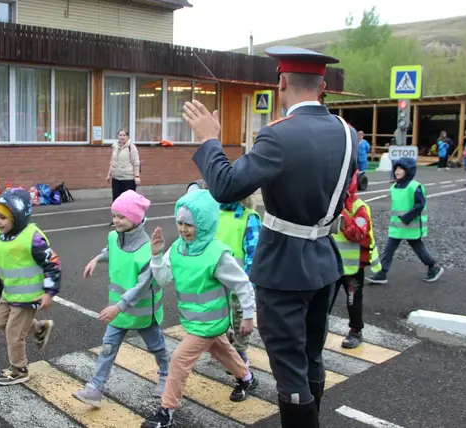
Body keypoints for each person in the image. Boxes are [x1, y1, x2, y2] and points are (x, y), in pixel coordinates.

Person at [183, 46, 357, 426]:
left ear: (281, 82)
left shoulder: (277, 135)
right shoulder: (348, 133)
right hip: (325, 263)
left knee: (289, 369)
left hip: (284, 268)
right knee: (311, 356)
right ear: (323, 85)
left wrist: (210, 140)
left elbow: (226, 188)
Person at [141, 190, 257, 428]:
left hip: (208, 323)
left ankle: (167, 411)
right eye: (180, 223)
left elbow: (243, 284)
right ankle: (246, 377)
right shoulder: (178, 248)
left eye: (190, 225)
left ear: (204, 224)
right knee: (221, 350)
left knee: (179, 360)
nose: (183, 229)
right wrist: (156, 256)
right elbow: (163, 279)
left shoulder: (217, 254)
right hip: (195, 320)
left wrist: (248, 315)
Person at [73, 190, 170, 408]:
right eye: (114, 215)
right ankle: (95, 389)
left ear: (135, 218)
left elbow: (142, 286)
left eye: (121, 216)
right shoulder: (114, 236)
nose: (116, 220)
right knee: (107, 348)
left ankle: (166, 377)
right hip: (118, 311)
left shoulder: (147, 250)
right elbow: (112, 250)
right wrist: (97, 258)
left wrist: (118, 307)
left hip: (143, 313)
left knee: (157, 347)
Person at [0, 188, 61, 386]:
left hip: (29, 297)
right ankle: (39, 328)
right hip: (9, 293)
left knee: (13, 334)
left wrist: (49, 292)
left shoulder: (33, 238)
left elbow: (52, 264)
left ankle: (19, 369)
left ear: (19, 216)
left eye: (4, 217)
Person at [367, 157, 444, 284]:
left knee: (419, 249)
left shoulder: (414, 187)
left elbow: (420, 205)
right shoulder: (394, 187)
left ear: (408, 170)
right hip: (397, 226)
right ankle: (382, 273)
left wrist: (407, 218)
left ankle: (433, 266)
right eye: (396, 168)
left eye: (401, 168)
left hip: (410, 226)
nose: (397, 171)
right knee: (388, 249)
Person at [328, 171, 382, 349]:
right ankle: (317, 330)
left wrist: (342, 215)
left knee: (353, 300)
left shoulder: (359, 207)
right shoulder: (330, 203)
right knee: (323, 301)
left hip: (352, 267)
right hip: (331, 264)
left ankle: (356, 331)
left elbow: (358, 234)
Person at [215, 195, 261, 368]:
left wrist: (248, 285)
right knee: (220, 319)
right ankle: (227, 344)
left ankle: (240, 354)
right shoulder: (214, 213)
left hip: (239, 284)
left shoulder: (249, 217)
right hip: (217, 283)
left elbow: (254, 254)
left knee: (240, 319)